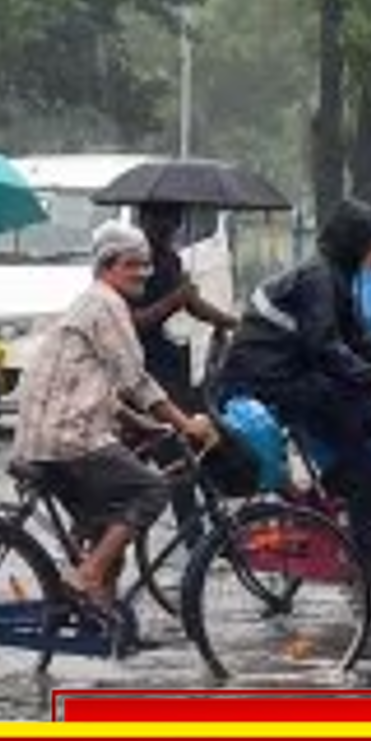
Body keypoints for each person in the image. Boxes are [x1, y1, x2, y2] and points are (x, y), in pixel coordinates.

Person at [12, 223, 218, 612]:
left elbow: (93, 384)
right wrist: (185, 424)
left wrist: (144, 425)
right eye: (132, 264)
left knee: (111, 525)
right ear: (107, 266)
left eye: (146, 264)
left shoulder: (93, 301)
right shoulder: (106, 303)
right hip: (68, 438)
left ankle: (103, 620)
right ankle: (88, 575)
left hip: (46, 436)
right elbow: (136, 379)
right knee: (153, 490)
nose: (143, 272)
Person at [213, 200, 371, 585]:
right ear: (352, 242)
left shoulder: (336, 276)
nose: (368, 248)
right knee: (362, 460)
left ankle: (318, 499)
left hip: (290, 369)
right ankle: (370, 557)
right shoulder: (319, 278)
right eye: (364, 240)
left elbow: (356, 336)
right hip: (271, 376)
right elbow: (325, 345)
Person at [128, 204, 238, 540]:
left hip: (168, 367)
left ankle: (206, 532)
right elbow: (133, 321)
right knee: (171, 456)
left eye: (173, 221)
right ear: (144, 220)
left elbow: (190, 303)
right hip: (136, 370)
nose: (168, 227)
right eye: (160, 220)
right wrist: (174, 300)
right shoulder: (130, 264)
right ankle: (194, 537)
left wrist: (227, 321)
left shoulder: (171, 260)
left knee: (191, 449)